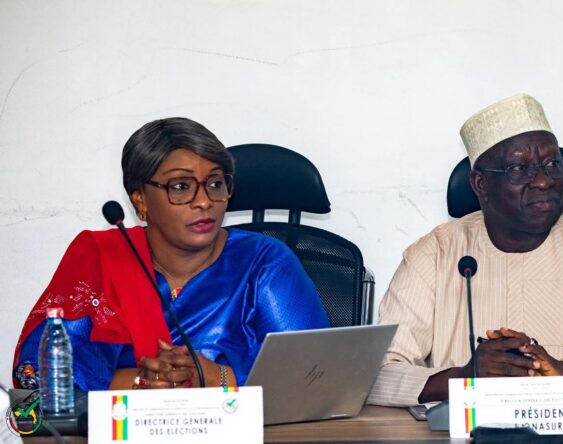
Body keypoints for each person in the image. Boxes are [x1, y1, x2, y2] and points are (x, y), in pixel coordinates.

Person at [367, 94, 563, 406]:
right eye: (519, 168)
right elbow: (376, 374)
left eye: (553, 164)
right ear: (480, 184)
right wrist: (464, 377)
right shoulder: (433, 255)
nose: (543, 181)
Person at [13, 117, 329, 391]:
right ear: (140, 199)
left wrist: (216, 377)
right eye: (181, 186)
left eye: (215, 184)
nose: (204, 201)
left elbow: (317, 376)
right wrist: (141, 382)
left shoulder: (264, 263)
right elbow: (35, 375)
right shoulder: (102, 260)